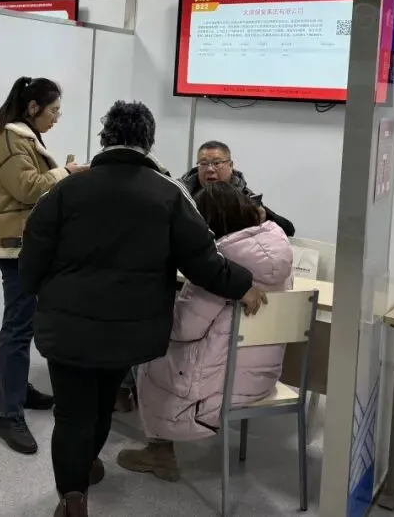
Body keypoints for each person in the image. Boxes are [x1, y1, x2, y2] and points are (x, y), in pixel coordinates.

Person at [20, 101, 265, 517]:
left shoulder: (65, 190)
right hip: (129, 328)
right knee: (102, 403)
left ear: (105, 140)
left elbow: (32, 258)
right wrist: (242, 285)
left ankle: (73, 497)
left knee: (73, 412)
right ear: (148, 142)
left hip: (67, 325)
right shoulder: (169, 193)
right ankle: (85, 463)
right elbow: (203, 261)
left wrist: (47, 299)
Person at [118, 181, 293, 482]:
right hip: (262, 377)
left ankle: (159, 451)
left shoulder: (221, 265)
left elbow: (184, 327)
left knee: (149, 355)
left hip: (220, 384)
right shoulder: (279, 252)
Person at [0, 76, 87, 455]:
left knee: (24, 324)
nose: (56, 117)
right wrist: (66, 173)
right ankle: (7, 416)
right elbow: (27, 188)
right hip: (17, 247)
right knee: (17, 328)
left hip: (28, 245)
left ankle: (18, 392)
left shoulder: (22, 138)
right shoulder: (10, 140)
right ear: (32, 108)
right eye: (53, 110)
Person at [180, 140, 295, 237]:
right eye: (203, 163)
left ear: (230, 165)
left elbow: (288, 229)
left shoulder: (244, 196)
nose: (210, 169)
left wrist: (263, 216)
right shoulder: (180, 193)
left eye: (216, 163)